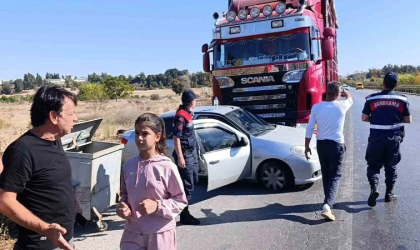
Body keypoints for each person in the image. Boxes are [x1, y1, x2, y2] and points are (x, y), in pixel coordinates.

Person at [0, 86, 77, 250]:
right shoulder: (21, 151)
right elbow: (5, 201)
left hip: (64, 239)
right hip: (39, 245)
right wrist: (46, 229)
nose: (75, 119)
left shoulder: (55, 140)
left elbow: (53, 180)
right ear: (54, 116)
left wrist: (73, 201)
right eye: (71, 114)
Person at [118, 113, 188, 250]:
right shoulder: (129, 165)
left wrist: (157, 206)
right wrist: (122, 207)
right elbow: (124, 194)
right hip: (132, 233)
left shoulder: (167, 166)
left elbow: (180, 200)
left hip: (160, 233)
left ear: (157, 136)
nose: (139, 138)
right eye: (137, 133)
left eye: (145, 134)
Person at [362, 72, 412, 207]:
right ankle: (389, 194)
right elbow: (408, 119)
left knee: (373, 165)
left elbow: (364, 117)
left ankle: (374, 188)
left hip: (376, 138)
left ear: (383, 83)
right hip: (394, 138)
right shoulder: (402, 99)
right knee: (391, 166)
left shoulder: (371, 99)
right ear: (396, 85)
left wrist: (378, 119)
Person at [305, 82, 353, 221]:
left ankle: (327, 201)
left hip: (321, 145)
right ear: (338, 94)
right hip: (336, 145)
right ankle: (327, 204)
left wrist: (307, 145)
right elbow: (350, 98)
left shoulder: (317, 107)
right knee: (335, 176)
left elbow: (309, 128)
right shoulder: (341, 106)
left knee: (326, 174)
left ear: (326, 92)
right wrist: (344, 91)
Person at [172, 89, 201, 225]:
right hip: (185, 155)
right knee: (186, 186)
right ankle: (184, 215)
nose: (196, 102)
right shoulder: (180, 116)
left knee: (193, 181)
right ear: (191, 102)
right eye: (195, 100)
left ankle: (183, 212)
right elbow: (176, 138)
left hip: (191, 153)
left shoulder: (189, 114)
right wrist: (180, 157)